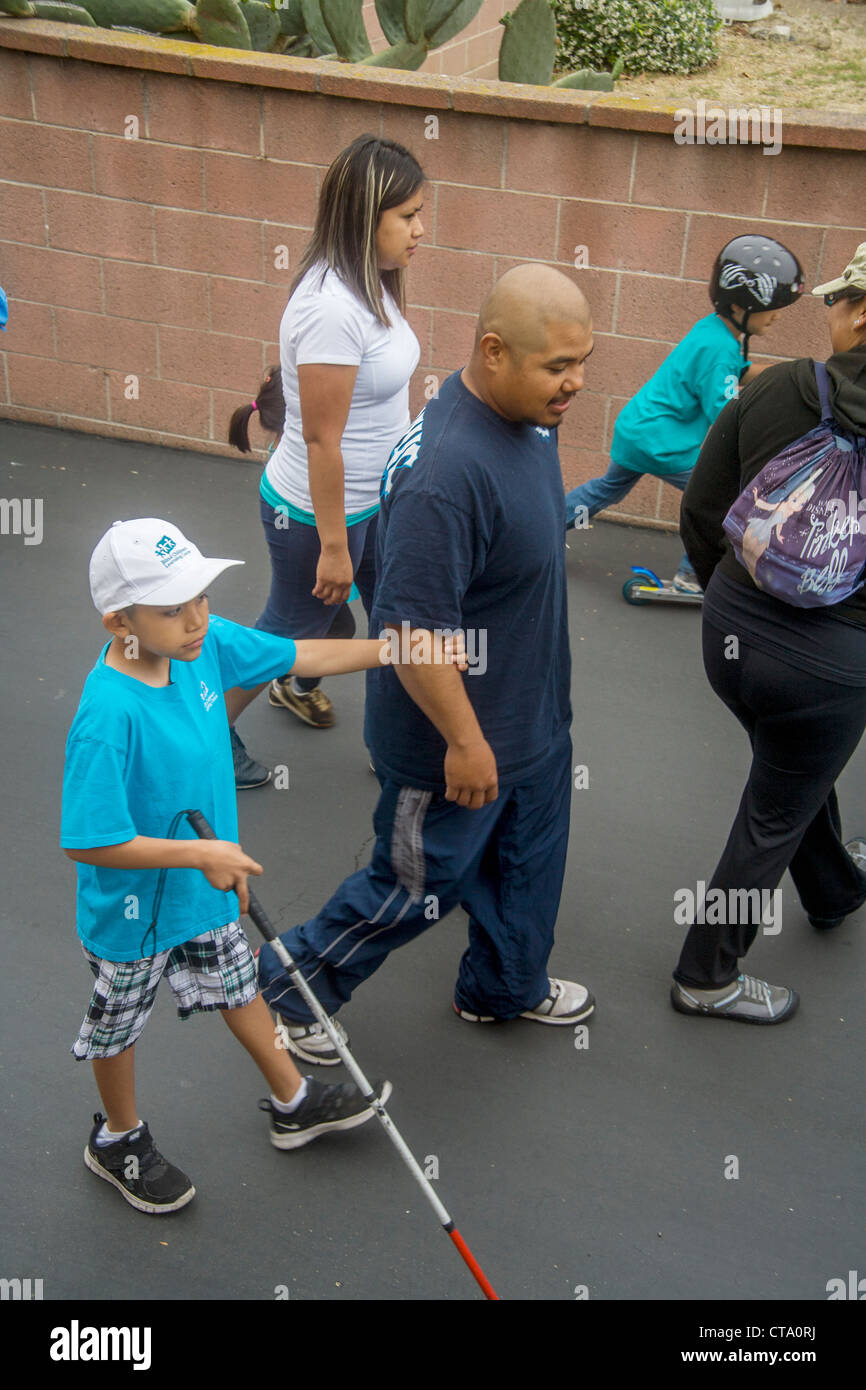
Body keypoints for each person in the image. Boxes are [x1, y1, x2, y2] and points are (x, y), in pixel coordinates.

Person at [61, 516, 460, 1212]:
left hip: (206, 888)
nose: (195, 619)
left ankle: (295, 1099)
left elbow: (298, 653)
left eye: (201, 598)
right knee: (118, 1025)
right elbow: (88, 839)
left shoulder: (204, 646)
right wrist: (201, 853)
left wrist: (394, 649)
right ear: (116, 621)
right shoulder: (108, 715)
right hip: (132, 912)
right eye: (171, 608)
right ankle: (118, 1139)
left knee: (238, 986)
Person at [255, 263, 596, 1066]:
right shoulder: (444, 475)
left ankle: (503, 986)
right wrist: (467, 741)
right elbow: (410, 632)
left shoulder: (531, 421)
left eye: (584, 362)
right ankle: (292, 987)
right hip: (453, 740)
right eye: (558, 366)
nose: (575, 383)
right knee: (415, 885)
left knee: (527, 865)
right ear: (492, 352)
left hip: (534, 721)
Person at [670, 242, 866, 1023]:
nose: (830, 311)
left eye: (840, 299)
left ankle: (831, 888)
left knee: (788, 770)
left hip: (732, 636)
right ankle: (706, 975)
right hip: (832, 667)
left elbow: (699, 509)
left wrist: (733, 593)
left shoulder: (779, 386)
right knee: (774, 809)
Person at [228, 134, 424, 789]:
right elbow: (321, 440)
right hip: (316, 514)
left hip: (373, 499)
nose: (420, 230)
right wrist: (335, 547)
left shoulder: (373, 284)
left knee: (387, 616)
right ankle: (204, 739)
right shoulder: (331, 309)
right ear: (367, 217)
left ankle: (372, 728)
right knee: (290, 626)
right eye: (408, 217)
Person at [564, 235, 804, 593]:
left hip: (637, 430)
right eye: (773, 307)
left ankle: (534, 530)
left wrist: (787, 374)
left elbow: (733, 371)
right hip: (663, 445)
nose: (778, 317)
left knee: (604, 490)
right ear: (743, 306)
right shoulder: (721, 346)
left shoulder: (713, 329)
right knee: (720, 500)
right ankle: (691, 577)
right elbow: (726, 414)